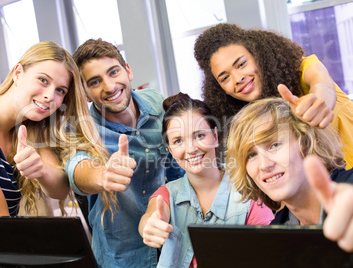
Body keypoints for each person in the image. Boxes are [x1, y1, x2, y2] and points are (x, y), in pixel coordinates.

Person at [65, 39, 184, 268]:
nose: (109, 87)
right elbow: (77, 168)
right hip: (123, 257)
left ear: (128, 70)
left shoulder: (157, 102)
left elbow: (178, 169)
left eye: (113, 72)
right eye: (95, 81)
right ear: (86, 93)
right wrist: (101, 175)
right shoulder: (82, 128)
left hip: (172, 243)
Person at [139, 93, 274, 268]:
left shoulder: (248, 192)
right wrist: (149, 226)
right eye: (178, 141)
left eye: (199, 136)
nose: (191, 149)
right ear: (170, 150)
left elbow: (268, 252)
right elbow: (150, 218)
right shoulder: (167, 194)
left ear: (215, 137)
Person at [0, 41, 83, 218]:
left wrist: (41, 170)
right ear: (18, 73)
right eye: (43, 80)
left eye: (60, 90)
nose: (50, 96)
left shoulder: (30, 126)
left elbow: (60, 190)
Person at [194, 23, 353, 168]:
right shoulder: (253, 120)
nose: (238, 79)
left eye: (241, 64)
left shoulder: (303, 68)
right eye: (225, 78)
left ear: (259, 56)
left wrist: (320, 101)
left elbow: (321, 82)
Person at [226, 97, 353, 252]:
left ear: (306, 142)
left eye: (274, 145)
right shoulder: (276, 237)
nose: (265, 165)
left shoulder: (349, 189)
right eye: (251, 155)